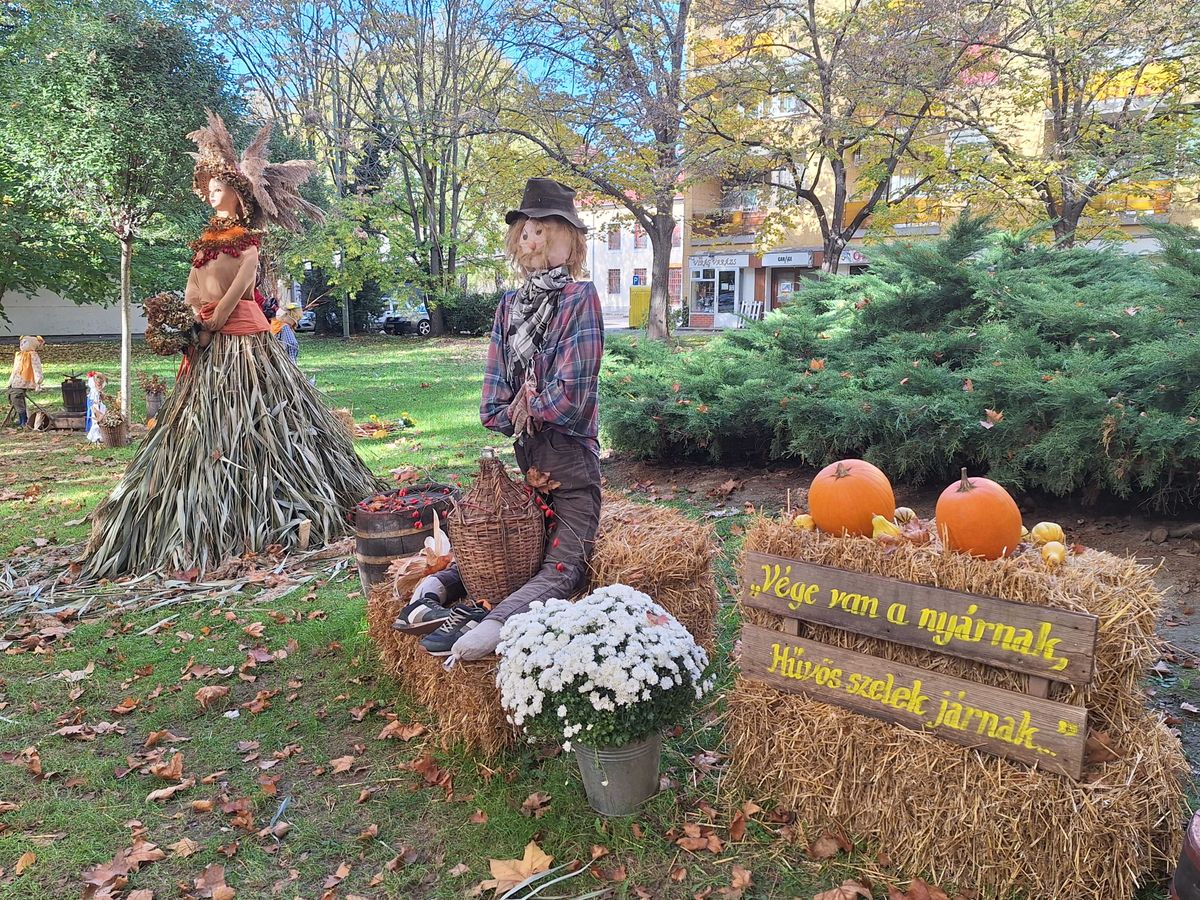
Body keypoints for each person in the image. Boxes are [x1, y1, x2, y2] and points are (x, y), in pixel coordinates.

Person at [82, 110, 380, 579]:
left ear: (240, 198)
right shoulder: (204, 242)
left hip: (242, 344)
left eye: (219, 190)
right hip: (206, 341)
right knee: (198, 426)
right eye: (210, 190)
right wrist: (186, 320)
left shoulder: (250, 245)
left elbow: (240, 291)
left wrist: (210, 325)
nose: (211, 194)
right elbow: (193, 286)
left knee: (262, 419)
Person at [394, 178, 604, 660]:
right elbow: (494, 404)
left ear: (568, 240)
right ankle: (432, 596)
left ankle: (490, 625)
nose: (534, 241)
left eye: (546, 230)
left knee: (561, 565)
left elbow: (571, 395)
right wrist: (520, 407)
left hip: (570, 464)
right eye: (527, 232)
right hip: (529, 465)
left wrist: (529, 406)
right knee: (510, 553)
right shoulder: (511, 305)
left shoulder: (579, 297)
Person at [7, 336, 44, 428]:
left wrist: (38, 380)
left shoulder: (32, 355)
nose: (22, 345)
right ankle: (22, 418)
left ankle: (23, 420)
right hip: (16, 380)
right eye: (21, 343)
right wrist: (11, 380)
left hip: (25, 380)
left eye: (25, 343)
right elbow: (15, 369)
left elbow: (37, 368)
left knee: (16, 395)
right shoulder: (19, 354)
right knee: (11, 395)